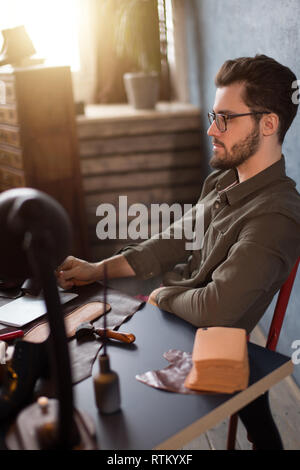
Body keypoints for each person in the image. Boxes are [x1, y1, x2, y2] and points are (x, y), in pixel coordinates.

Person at [57, 55, 300, 449]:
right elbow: (172, 242)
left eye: (224, 118)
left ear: (268, 123)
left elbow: (216, 309)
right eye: (213, 115)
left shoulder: (276, 217)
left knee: (98, 403)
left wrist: (159, 296)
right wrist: (96, 269)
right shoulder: (224, 180)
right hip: (173, 317)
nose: (210, 129)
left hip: (200, 335)